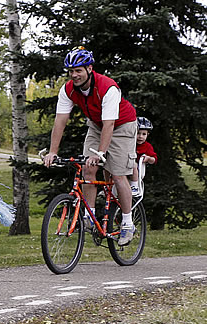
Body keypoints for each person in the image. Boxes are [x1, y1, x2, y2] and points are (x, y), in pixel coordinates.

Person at [43, 46, 138, 246]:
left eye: (78, 70)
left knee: (118, 174)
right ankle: (89, 216)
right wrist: (52, 152)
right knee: (88, 168)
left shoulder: (107, 87)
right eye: (71, 71)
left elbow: (110, 124)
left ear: (89, 68)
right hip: (96, 125)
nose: (74, 75)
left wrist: (101, 153)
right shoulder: (68, 89)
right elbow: (60, 121)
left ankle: (128, 223)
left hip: (122, 125)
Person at [130, 116, 157, 195]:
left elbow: (154, 159)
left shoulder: (147, 146)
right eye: (138, 133)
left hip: (138, 171)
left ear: (147, 135)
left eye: (144, 134)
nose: (140, 136)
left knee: (133, 164)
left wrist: (148, 158)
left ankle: (134, 187)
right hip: (123, 169)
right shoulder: (130, 143)